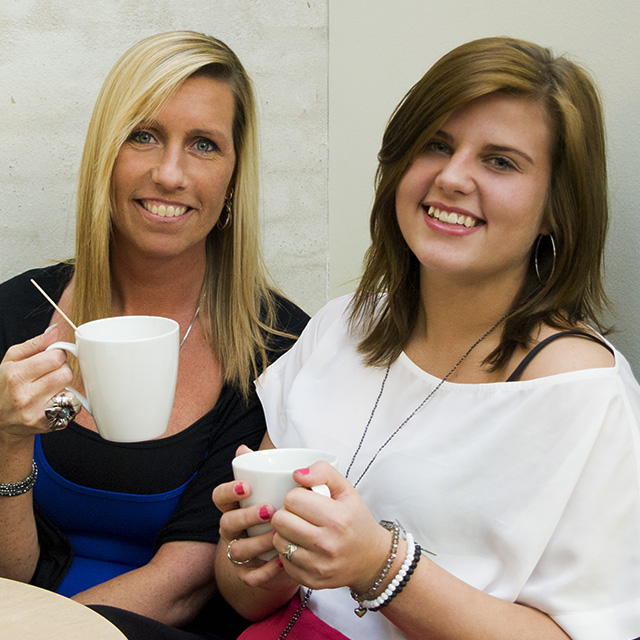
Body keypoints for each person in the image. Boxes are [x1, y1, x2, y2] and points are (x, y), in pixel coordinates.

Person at [209, 36, 640, 640]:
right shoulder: (340, 327)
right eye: (436, 145)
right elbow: (246, 599)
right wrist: (258, 563)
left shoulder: (587, 395)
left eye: (500, 161)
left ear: (557, 209)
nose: (453, 177)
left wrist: (381, 567)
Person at [0, 30, 308, 636]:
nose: (170, 173)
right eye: (143, 136)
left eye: (203, 145)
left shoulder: (276, 346)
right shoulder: (20, 313)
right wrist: (7, 442)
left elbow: (186, 585)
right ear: (105, 156)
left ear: (233, 179)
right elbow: (10, 574)